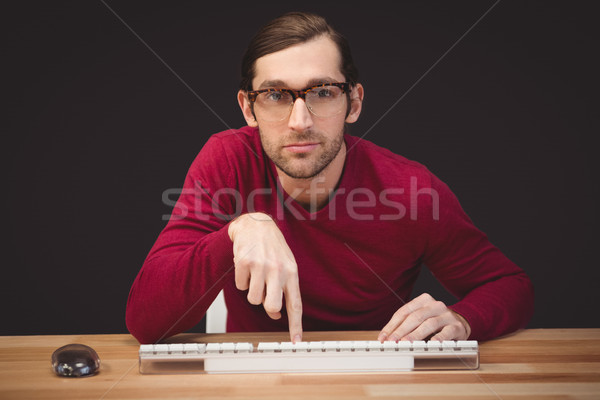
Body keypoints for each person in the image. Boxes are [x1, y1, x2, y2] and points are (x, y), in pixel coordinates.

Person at [126, 12, 534, 345]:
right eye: (275, 95)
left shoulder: (411, 190)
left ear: (353, 102)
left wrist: (463, 320)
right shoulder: (228, 160)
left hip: (374, 378)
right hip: (254, 381)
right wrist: (239, 230)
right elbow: (145, 319)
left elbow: (510, 285)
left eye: (322, 92)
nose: (299, 122)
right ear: (248, 110)